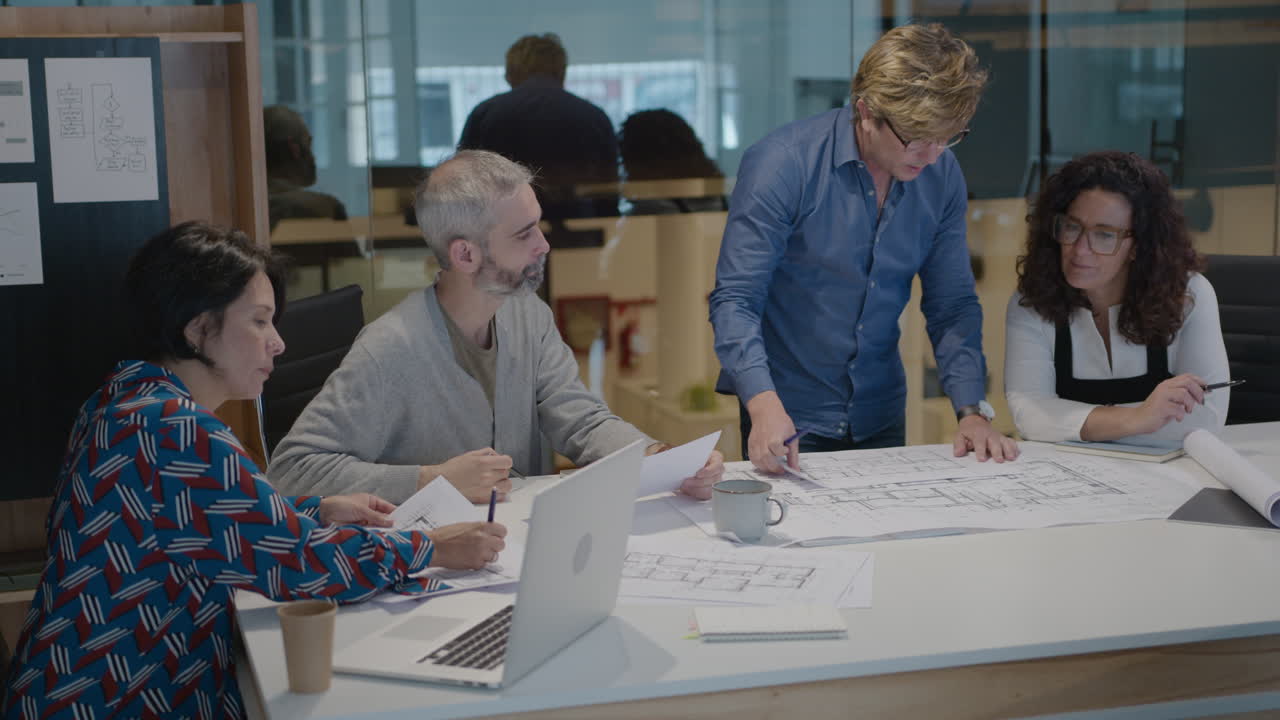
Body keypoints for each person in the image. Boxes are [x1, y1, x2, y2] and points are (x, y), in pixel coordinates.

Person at [0, 222, 505, 718]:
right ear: (198, 329)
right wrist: (431, 547)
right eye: (259, 321)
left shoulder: (125, 397)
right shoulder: (178, 430)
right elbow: (300, 564)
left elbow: (198, 522)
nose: (278, 342)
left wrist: (313, 508)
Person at [268, 150, 723, 505]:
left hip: (515, 545)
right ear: (465, 255)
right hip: (432, 566)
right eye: (524, 234)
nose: (544, 245)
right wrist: (429, 479)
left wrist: (657, 458)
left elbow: (579, 419)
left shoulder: (527, 314)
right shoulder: (388, 349)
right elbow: (291, 472)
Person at [709, 23, 1017, 475]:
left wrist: (971, 409)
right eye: (916, 138)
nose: (932, 156)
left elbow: (951, 304)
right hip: (787, 412)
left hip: (881, 410)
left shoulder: (941, 174)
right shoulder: (783, 165)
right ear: (866, 112)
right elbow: (736, 299)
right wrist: (761, 403)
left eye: (946, 137)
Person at [1004, 151, 1229, 446]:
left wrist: (1073, 426)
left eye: (1104, 235)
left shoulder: (1189, 294)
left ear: (1138, 245)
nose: (1080, 250)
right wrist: (1140, 418)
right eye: (1072, 227)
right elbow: (1031, 415)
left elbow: (1205, 419)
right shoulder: (1031, 300)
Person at [457, 33, 618, 203]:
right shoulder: (594, 117)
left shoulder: (484, 115)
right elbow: (608, 191)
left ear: (511, 73)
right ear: (561, 72)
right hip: (581, 224)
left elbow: (462, 184)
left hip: (505, 225)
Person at [264, 104, 347, 231]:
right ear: (295, 149)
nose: (314, 157)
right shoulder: (325, 209)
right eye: (308, 144)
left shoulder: (246, 209)